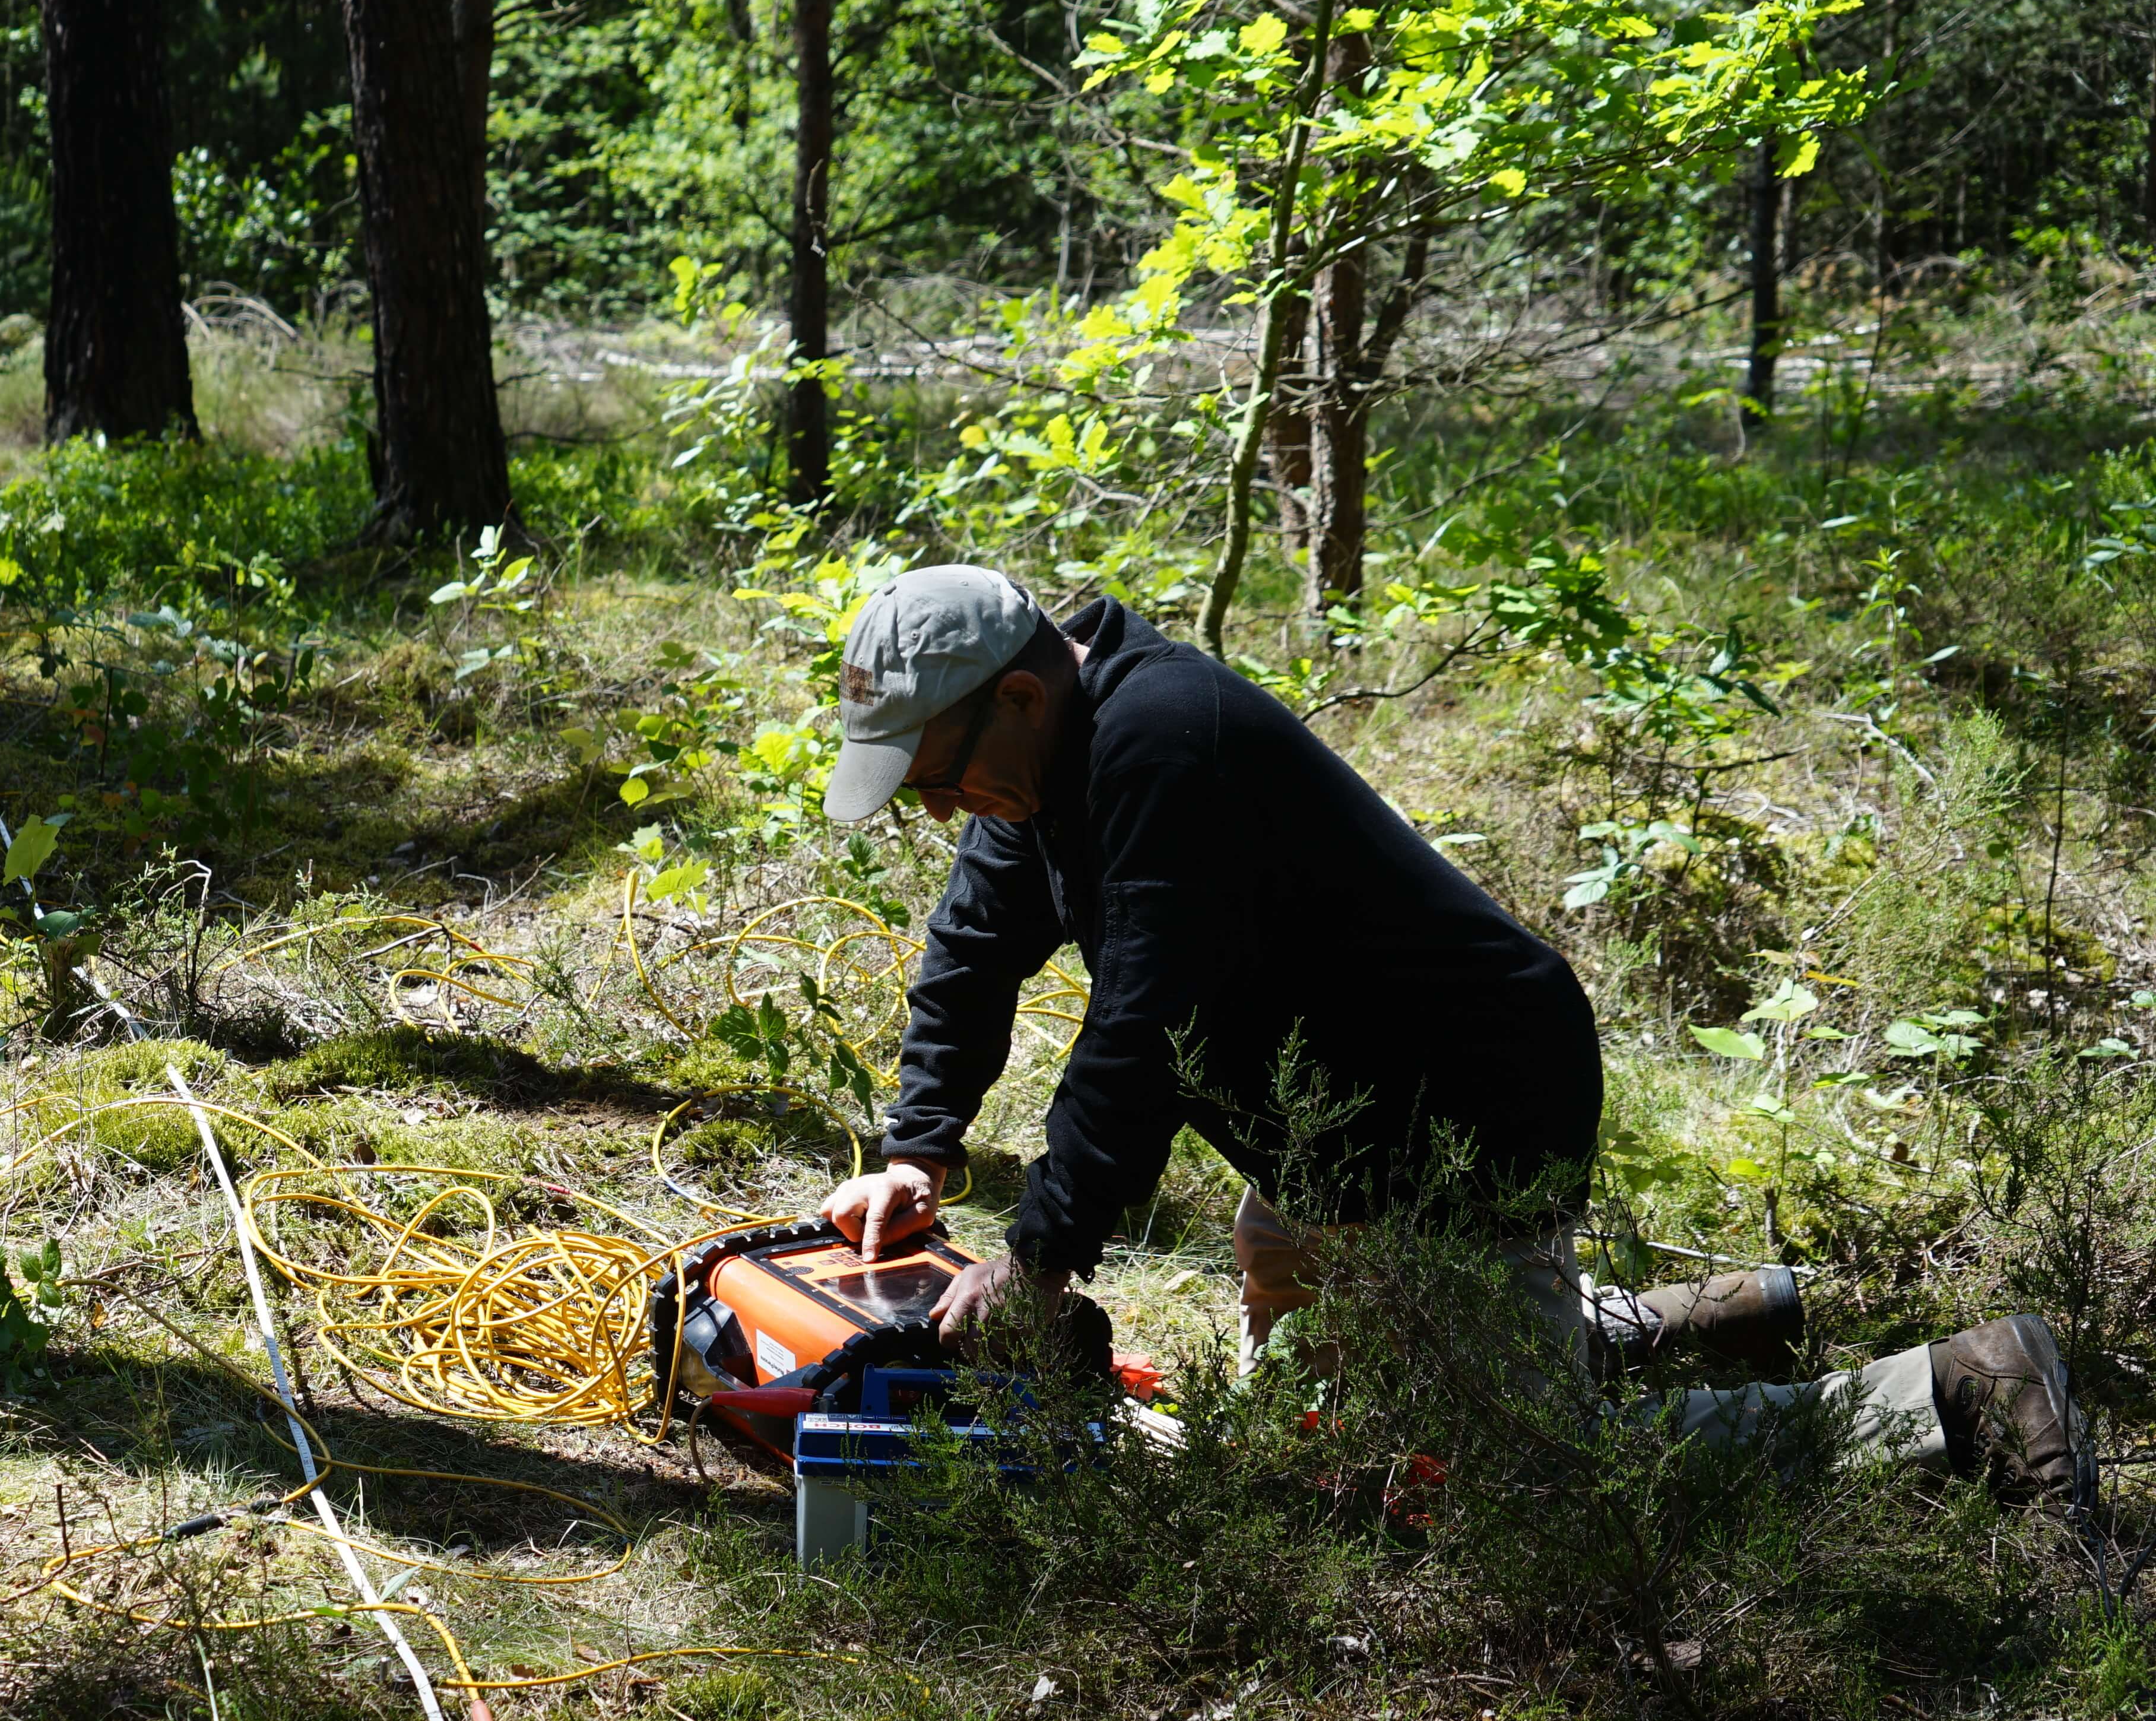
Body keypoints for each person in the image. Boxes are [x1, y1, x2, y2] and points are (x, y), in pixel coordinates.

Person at [810, 563, 2096, 1509]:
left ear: (1019, 695)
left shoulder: (1159, 749)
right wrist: (918, 1144)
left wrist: (1039, 1257)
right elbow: (974, 943)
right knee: (1312, 1437)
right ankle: (1654, 1324)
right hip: (1331, 1136)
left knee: (1491, 1482)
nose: (935, 811)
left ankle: (1964, 1393)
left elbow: (1143, 1024)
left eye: (932, 777)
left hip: (1465, 1107)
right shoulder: (1040, 760)